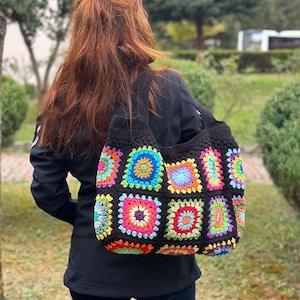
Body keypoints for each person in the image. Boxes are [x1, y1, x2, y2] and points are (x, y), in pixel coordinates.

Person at [30, 0, 204, 299]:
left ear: (82, 30)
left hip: (95, 264)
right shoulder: (169, 85)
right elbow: (201, 159)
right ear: (136, 25)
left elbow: (46, 188)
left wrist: (93, 216)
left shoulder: (64, 96)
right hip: (168, 262)